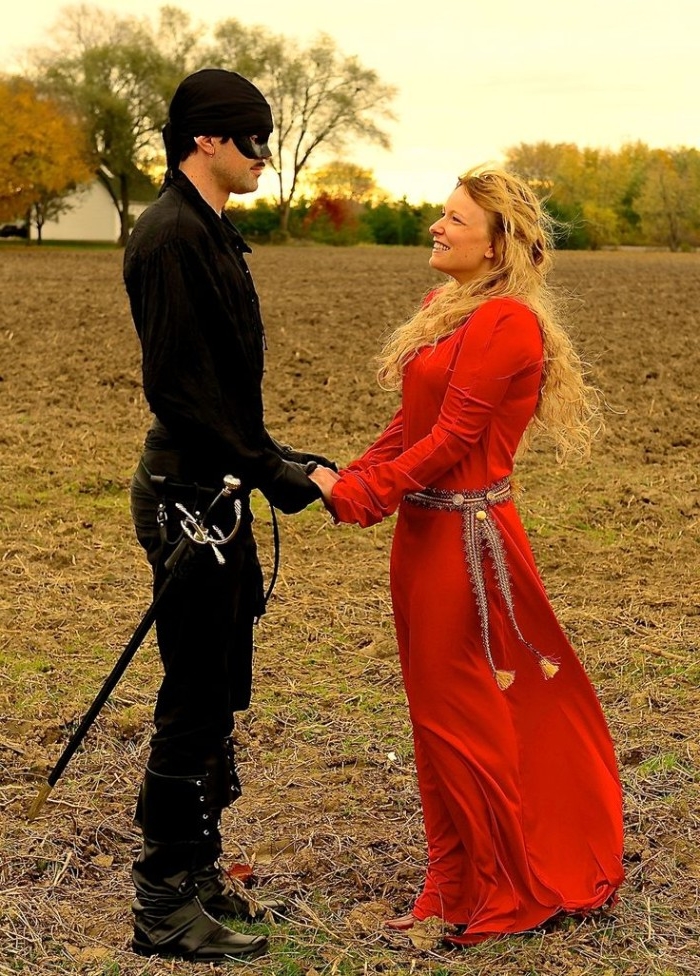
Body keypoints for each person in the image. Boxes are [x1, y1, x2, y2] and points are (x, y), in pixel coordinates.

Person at [309, 167, 625, 945]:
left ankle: (501, 888)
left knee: (461, 719)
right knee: (430, 720)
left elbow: (453, 443)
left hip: (466, 542)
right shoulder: (446, 312)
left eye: (452, 220)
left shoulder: (509, 324)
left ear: (497, 242)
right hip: (421, 536)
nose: (435, 228)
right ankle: (449, 883)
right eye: (440, 216)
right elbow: (413, 422)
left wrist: (366, 494)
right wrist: (351, 475)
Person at [123, 68, 334, 963]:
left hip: (217, 488)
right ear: (206, 140)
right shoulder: (171, 236)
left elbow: (227, 394)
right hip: (188, 499)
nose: (263, 155)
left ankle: (200, 874)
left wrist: (274, 460)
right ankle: (163, 902)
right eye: (254, 139)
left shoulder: (209, 229)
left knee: (220, 690)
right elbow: (180, 390)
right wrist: (273, 472)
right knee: (195, 697)